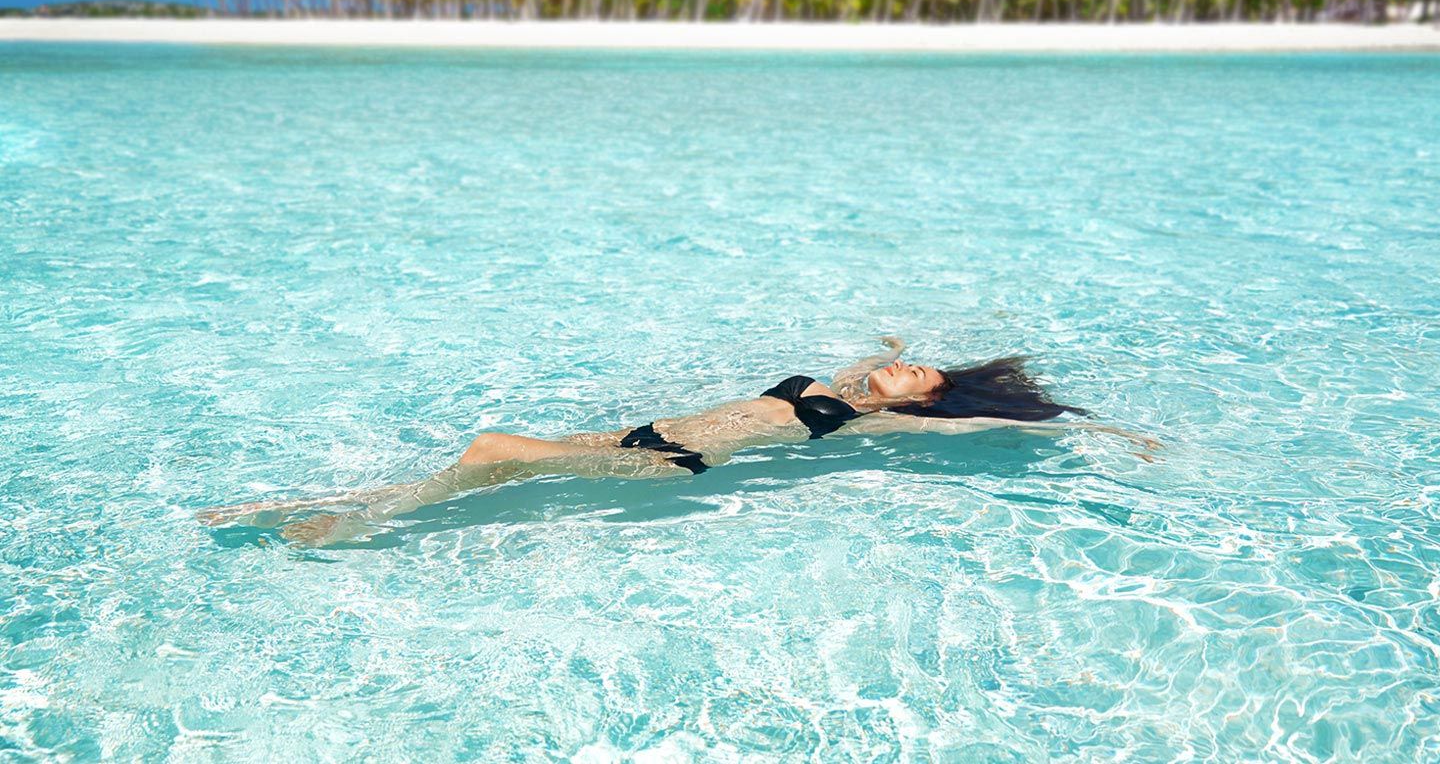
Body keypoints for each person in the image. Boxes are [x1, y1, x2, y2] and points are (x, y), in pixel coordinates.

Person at [198, 337, 1157, 546]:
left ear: (921, 404)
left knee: (493, 450)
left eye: (922, 382)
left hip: (674, 462)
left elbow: (989, 415)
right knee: (479, 468)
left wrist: (1110, 430)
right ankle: (334, 508)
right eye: (912, 369)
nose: (908, 375)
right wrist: (902, 346)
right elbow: (886, 346)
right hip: (640, 432)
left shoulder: (874, 413)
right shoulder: (845, 378)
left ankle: (359, 525)